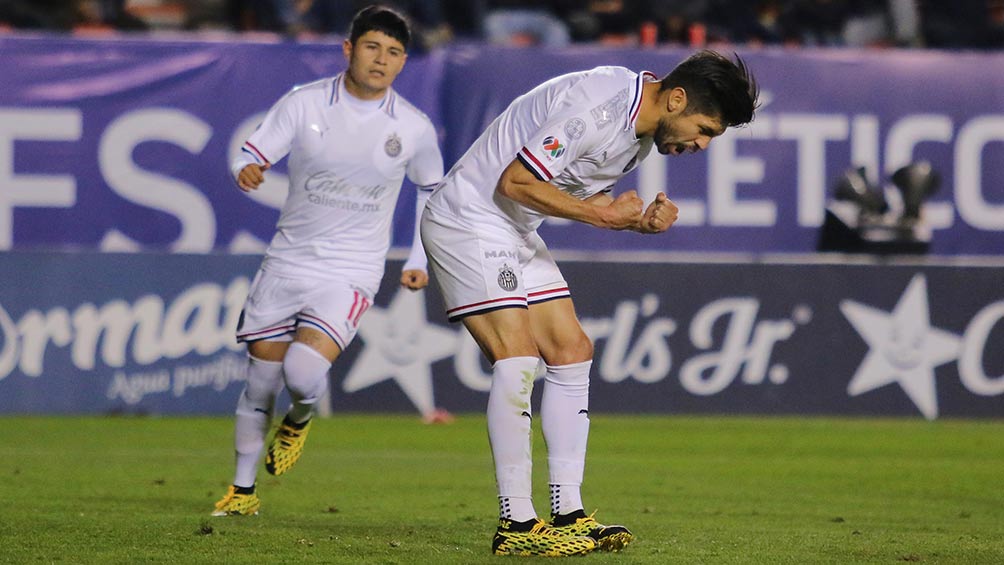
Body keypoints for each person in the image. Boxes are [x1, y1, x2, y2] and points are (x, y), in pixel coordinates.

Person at [420, 50, 759, 555]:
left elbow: (571, 191)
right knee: (517, 357)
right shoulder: (597, 107)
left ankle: (568, 512)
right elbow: (515, 181)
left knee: (572, 350)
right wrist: (602, 218)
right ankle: (516, 524)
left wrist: (633, 218)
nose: (703, 144)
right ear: (677, 98)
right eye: (705, 128)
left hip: (513, 226)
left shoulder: (640, 135)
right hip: (468, 219)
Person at [212, 5, 444, 517]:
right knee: (258, 383)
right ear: (348, 49)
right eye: (372, 47)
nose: (381, 60)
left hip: (350, 270)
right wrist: (245, 169)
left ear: (403, 62)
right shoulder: (304, 104)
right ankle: (242, 492)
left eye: (394, 52)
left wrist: (419, 256)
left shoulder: (413, 126)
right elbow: (250, 152)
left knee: (301, 370)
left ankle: (300, 415)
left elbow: (433, 192)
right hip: (286, 263)